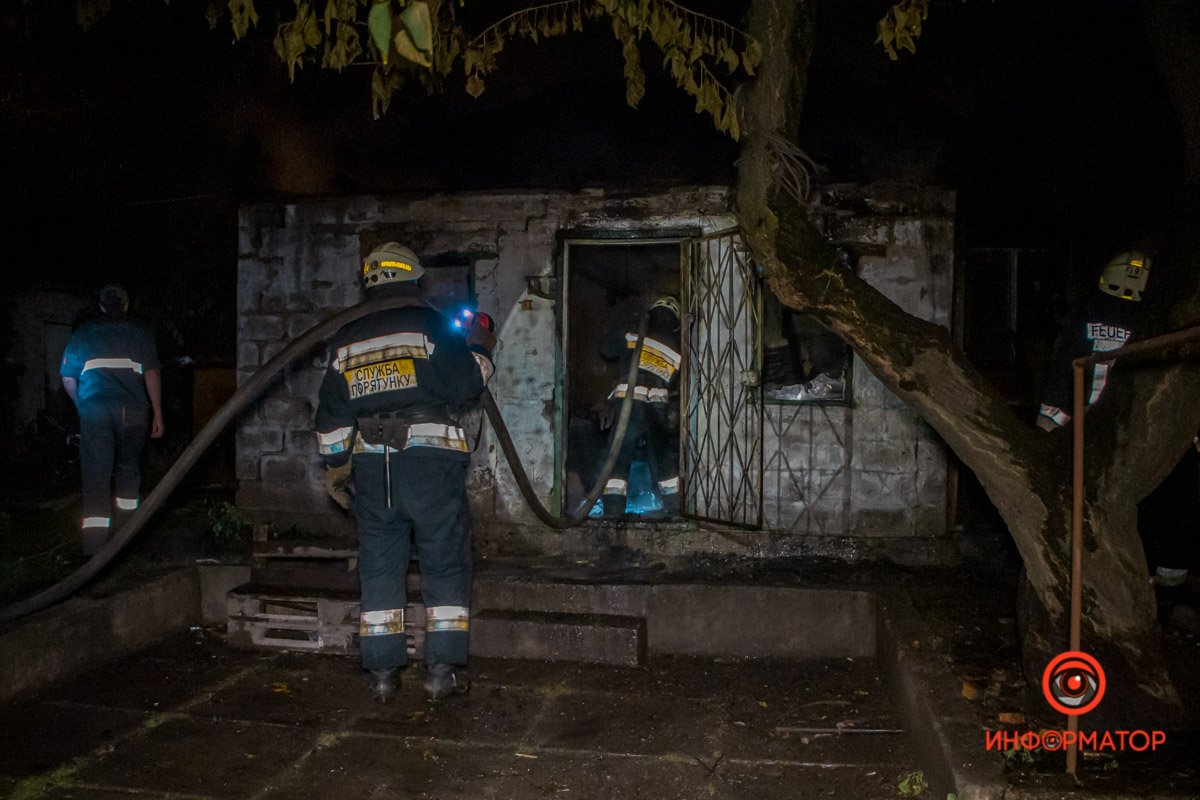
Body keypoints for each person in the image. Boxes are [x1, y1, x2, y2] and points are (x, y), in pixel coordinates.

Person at [314, 242, 495, 704]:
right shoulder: (432, 325)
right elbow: (466, 385)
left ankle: (382, 675)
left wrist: (337, 469)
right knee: (446, 562)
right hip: (431, 467)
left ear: (370, 282)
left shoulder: (346, 337)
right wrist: (480, 348)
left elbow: (332, 418)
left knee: (379, 567)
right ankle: (442, 672)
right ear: (415, 278)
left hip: (374, 473)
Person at [60, 284, 164, 556]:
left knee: (96, 475)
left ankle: (95, 551)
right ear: (126, 304)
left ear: (102, 305)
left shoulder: (83, 334)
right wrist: (158, 414)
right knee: (128, 471)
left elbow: (67, 377)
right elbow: (152, 374)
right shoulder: (140, 332)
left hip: (95, 410)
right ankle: (126, 541)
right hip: (133, 412)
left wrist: (82, 405)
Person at [1035, 250, 1146, 432]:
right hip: (1123, 424)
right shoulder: (1147, 323)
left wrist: (1047, 424)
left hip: (1080, 421)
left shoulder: (1084, 319)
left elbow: (1062, 372)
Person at [599, 295, 682, 519]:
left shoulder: (633, 332)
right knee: (664, 460)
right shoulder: (677, 346)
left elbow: (606, 349)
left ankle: (613, 513)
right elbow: (677, 383)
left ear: (652, 313)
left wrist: (627, 325)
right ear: (676, 320)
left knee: (618, 458)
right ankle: (674, 509)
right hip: (658, 410)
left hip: (628, 405)